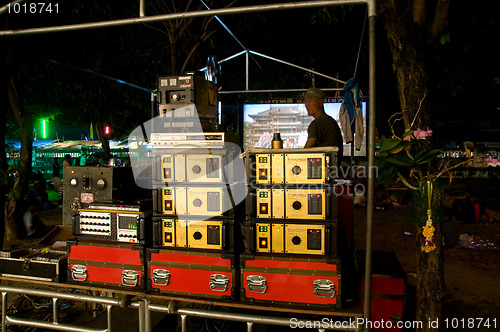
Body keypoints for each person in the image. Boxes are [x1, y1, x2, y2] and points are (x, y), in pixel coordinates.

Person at [303, 88, 343, 162]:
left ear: (320, 102)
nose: (306, 105)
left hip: (323, 168)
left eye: (310, 101)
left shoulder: (317, 123)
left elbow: (305, 151)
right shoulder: (329, 120)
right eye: (305, 101)